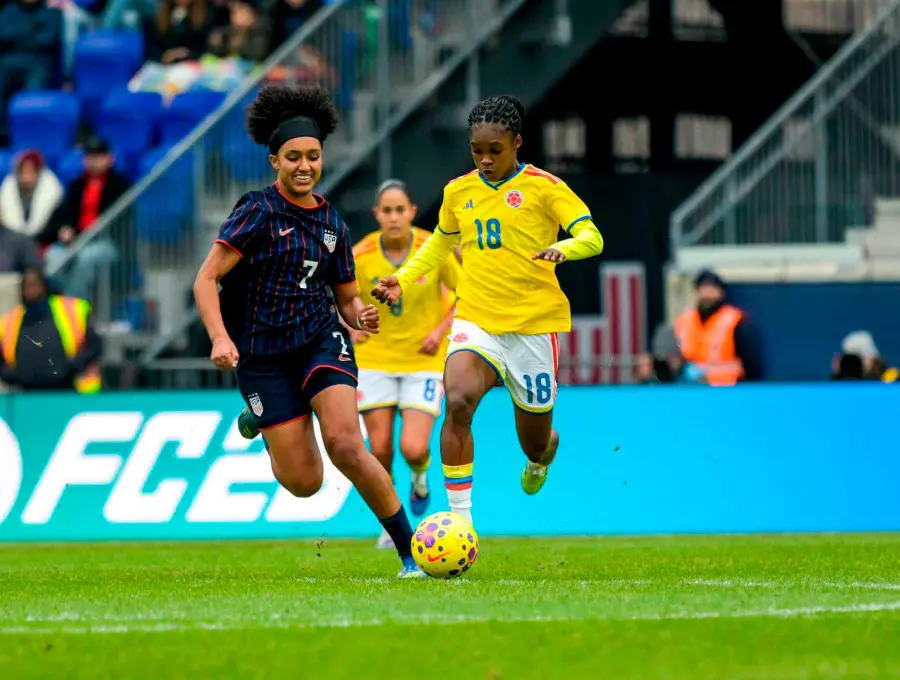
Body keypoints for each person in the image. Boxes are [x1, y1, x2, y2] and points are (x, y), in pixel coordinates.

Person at [193, 84, 425, 578]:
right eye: (293, 157)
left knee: (345, 443)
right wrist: (219, 337)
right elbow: (206, 278)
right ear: (275, 160)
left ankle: (411, 554)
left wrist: (360, 315)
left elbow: (345, 299)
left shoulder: (332, 224)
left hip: (321, 340)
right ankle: (261, 420)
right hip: (261, 356)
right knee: (305, 482)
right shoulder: (256, 211)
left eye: (313, 157)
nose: (304, 166)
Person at [372, 95, 604, 526]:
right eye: (477, 150)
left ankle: (541, 460)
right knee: (457, 401)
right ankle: (461, 523)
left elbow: (592, 237)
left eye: (494, 150)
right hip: (477, 318)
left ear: (517, 143)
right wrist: (402, 278)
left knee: (535, 443)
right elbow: (441, 241)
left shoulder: (545, 187)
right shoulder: (459, 191)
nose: (484, 159)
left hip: (533, 328)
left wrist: (564, 248)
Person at [351, 178, 462, 548]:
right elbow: (336, 297)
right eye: (387, 210)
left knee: (413, 448)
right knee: (378, 449)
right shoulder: (361, 254)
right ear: (377, 215)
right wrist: (349, 326)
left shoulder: (432, 248)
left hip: (423, 360)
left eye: (401, 210)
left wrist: (440, 329)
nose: (394, 217)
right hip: (375, 359)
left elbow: (466, 294)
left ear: (412, 212)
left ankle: (419, 475)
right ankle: (390, 522)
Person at [0, 267, 103, 392]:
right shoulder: (11, 320)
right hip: (25, 394)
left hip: (67, 390)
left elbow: (94, 345)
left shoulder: (71, 310)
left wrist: (73, 366)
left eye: (34, 284)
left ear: (44, 286)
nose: (30, 290)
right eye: (26, 286)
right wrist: (14, 376)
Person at [672, 269, 761, 385]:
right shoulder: (684, 321)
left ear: (721, 292)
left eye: (712, 289)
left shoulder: (735, 321)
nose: (707, 294)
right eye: (703, 289)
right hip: (691, 388)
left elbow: (751, 363)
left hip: (726, 388)